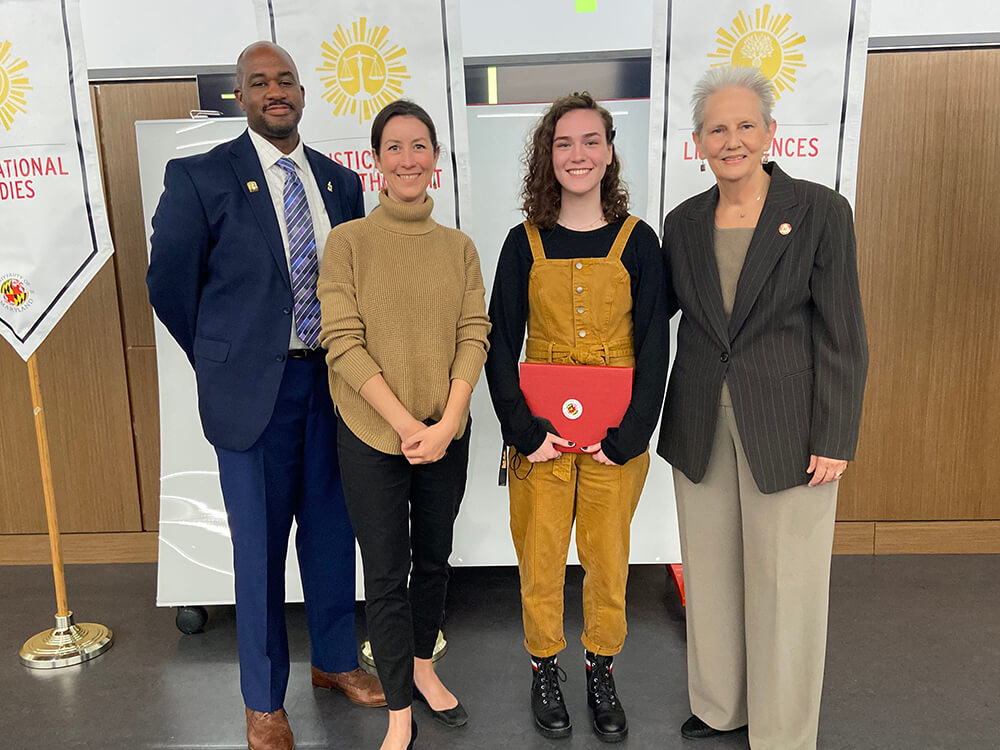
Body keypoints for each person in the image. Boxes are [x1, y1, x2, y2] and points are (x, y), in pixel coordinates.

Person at [146, 41, 384, 750]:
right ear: (240, 97)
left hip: (333, 385)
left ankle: (336, 661)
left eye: (284, 81)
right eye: (258, 83)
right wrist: (224, 359)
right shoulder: (199, 176)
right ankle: (262, 700)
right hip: (253, 396)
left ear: (304, 93)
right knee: (257, 550)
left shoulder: (341, 184)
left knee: (333, 532)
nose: (274, 92)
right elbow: (170, 285)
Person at [658, 66, 869, 750]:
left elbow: (844, 334)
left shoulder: (821, 212)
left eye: (746, 125)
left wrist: (836, 435)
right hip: (700, 424)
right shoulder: (682, 222)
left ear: (771, 133)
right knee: (712, 577)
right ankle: (722, 705)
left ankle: (782, 730)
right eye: (717, 128)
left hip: (790, 428)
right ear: (698, 143)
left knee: (787, 587)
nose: (732, 139)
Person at [484, 92, 668, 742]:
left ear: (610, 151)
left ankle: (600, 667)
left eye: (591, 141)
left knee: (608, 559)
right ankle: (544, 668)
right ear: (548, 156)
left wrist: (629, 439)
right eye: (564, 143)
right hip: (542, 439)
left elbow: (653, 346)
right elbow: (501, 342)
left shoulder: (639, 241)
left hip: (614, 443)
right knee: (539, 560)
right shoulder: (522, 243)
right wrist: (523, 434)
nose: (578, 154)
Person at [318, 99, 490, 750]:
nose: (408, 158)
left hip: (446, 430)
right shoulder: (349, 244)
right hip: (369, 435)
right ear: (375, 162)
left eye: (420, 146)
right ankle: (398, 708)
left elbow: (474, 334)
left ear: (437, 161)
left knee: (434, 560)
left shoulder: (460, 249)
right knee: (386, 573)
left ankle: (424, 666)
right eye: (395, 147)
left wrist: (446, 422)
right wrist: (403, 425)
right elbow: (342, 340)